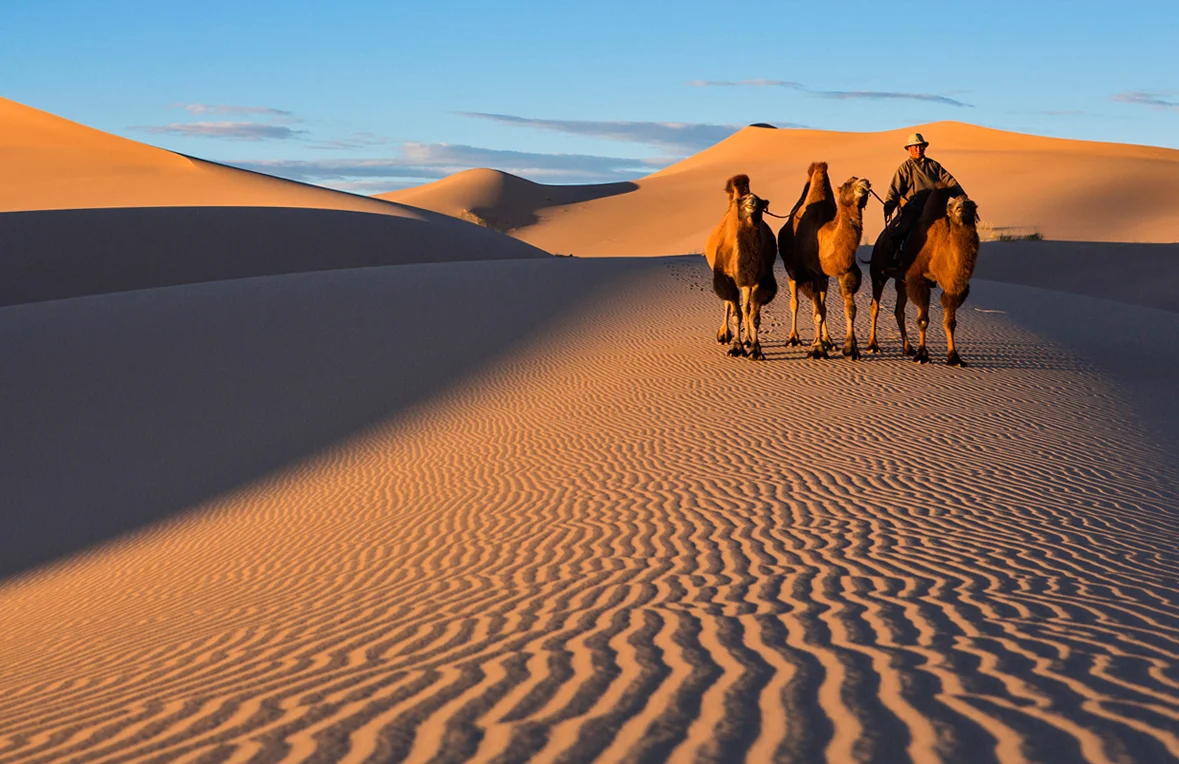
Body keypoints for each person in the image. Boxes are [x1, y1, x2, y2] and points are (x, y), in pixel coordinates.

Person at [878, 133, 965, 272]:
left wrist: (961, 196)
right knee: (900, 231)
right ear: (909, 149)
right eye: (915, 147)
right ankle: (892, 262)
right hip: (912, 210)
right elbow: (895, 188)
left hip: (933, 210)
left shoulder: (933, 166)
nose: (918, 149)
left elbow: (949, 180)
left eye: (921, 146)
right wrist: (889, 204)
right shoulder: (905, 168)